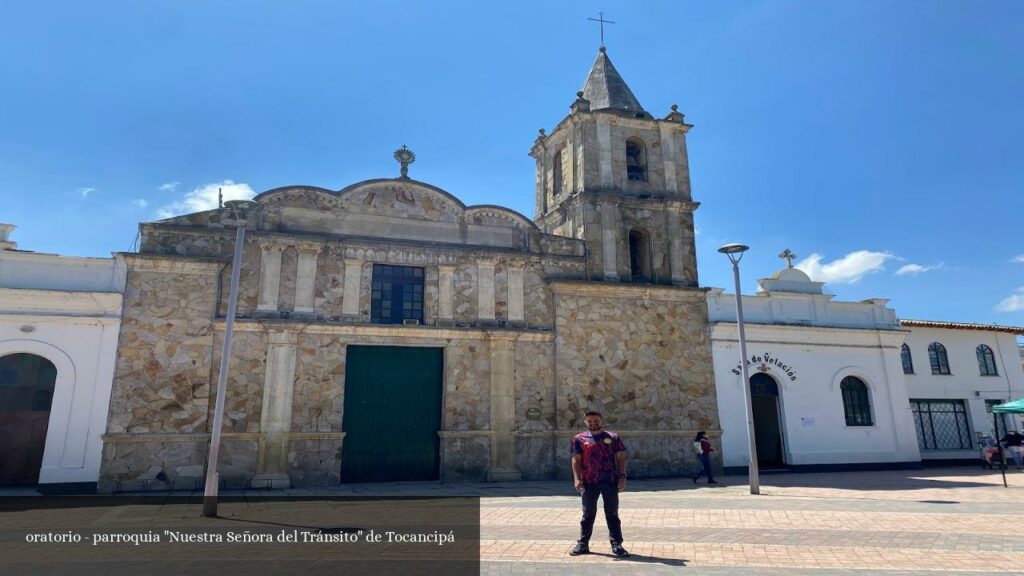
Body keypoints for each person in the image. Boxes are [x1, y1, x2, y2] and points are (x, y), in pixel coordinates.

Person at [569, 410, 629, 558]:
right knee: (588, 513)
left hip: (610, 481)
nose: (593, 423)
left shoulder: (613, 437)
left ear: (601, 421)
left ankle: (617, 545)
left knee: (612, 514)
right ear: (585, 422)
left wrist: (622, 477)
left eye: (596, 420)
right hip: (589, 482)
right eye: (589, 421)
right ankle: (583, 544)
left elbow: (620, 458)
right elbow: (576, 460)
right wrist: (577, 479)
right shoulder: (579, 439)